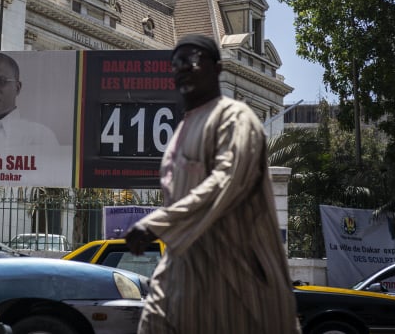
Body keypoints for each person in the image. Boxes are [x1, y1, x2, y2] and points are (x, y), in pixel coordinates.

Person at [124, 34, 300, 333]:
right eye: (176, 63)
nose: (183, 68)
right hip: (182, 276)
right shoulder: (180, 133)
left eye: (192, 60)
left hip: (238, 282)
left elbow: (226, 180)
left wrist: (158, 223)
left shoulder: (235, 118)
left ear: (218, 69)